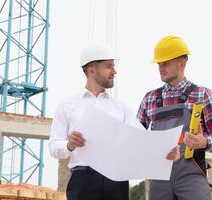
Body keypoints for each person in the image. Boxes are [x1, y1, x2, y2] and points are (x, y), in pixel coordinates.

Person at [48, 44, 180, 200]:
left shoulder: (121, 108)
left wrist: (166, 152)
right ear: (92, 71)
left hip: (116, 182)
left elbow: (142, 140)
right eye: (109, 66)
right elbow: (54, 147)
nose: (114, 71)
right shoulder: (67, 105)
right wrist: (69, 145)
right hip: (83, 181)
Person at [137, 35, 212, 200]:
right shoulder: (149, 98)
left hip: (191, 175)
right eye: (159, 63)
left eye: (166, 63)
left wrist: (205, 142)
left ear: (182, 63)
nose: (161, 67)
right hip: (159, 177)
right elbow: (136, 137)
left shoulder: (202, 94)